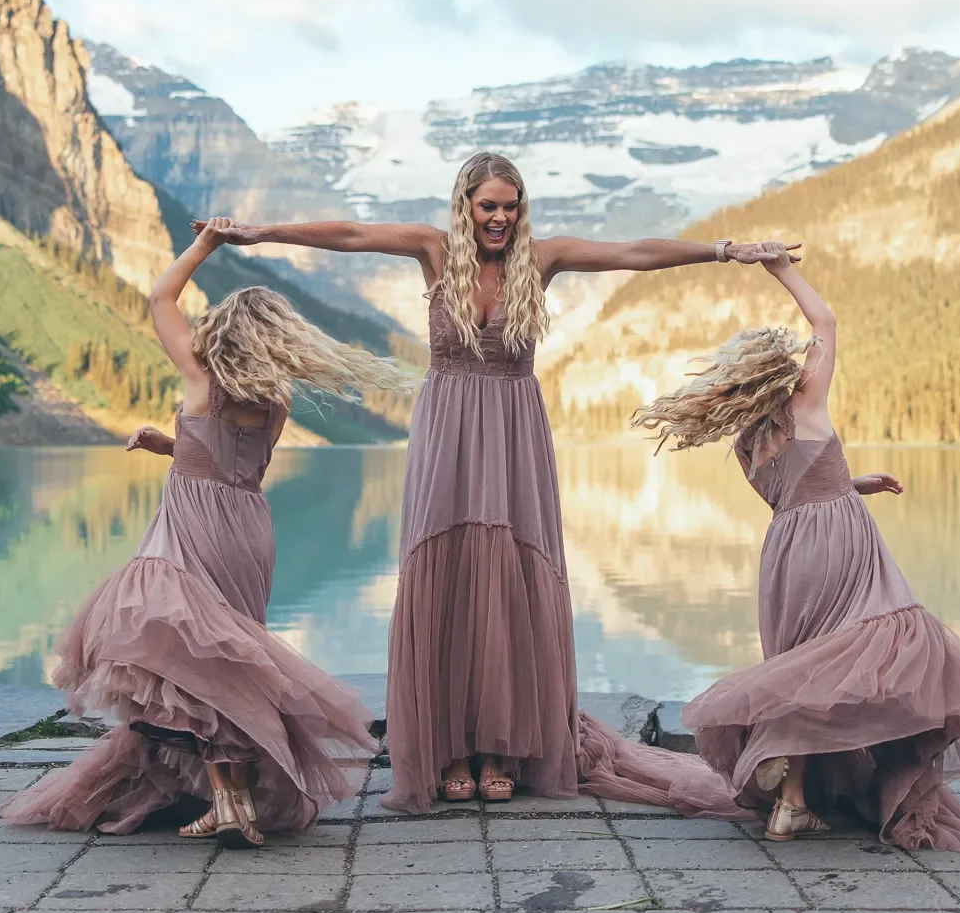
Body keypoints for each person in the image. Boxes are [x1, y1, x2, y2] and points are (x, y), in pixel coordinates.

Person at [201, 151, 776, 815]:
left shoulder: (542, 258)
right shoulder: (434, 251)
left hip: (513, 435)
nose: (500, 217)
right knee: (446, 574)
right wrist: (259, 232)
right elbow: (353, 235)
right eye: (488, 206)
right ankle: (450, 750)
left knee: (508, 577)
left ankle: (500, 751)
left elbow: (633, 253)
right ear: (466, 206)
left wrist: (724, 250)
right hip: (446, 433)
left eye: (510, 205)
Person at [0, 218, 407, 846]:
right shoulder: (275, 401)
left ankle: (229, 803)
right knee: (230, 664)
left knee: (192, 662)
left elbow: (160, 297)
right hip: (248, 527)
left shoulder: (202, 379)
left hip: (193, 526)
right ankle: (232, 801)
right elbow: (234, 464)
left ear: (224, 332)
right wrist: (171, 445)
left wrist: (206, 245)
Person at [633, 242, 960, 849]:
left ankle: (793, 802)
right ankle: (806, 764)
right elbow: (826, 322)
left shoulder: (747, 443)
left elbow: (793, 495)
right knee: (879, 644)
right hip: (839, 543)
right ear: (782, 370)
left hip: (786, 553)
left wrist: (855, 481)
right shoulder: (806, 399)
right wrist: (780, 270)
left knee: (805, 667)